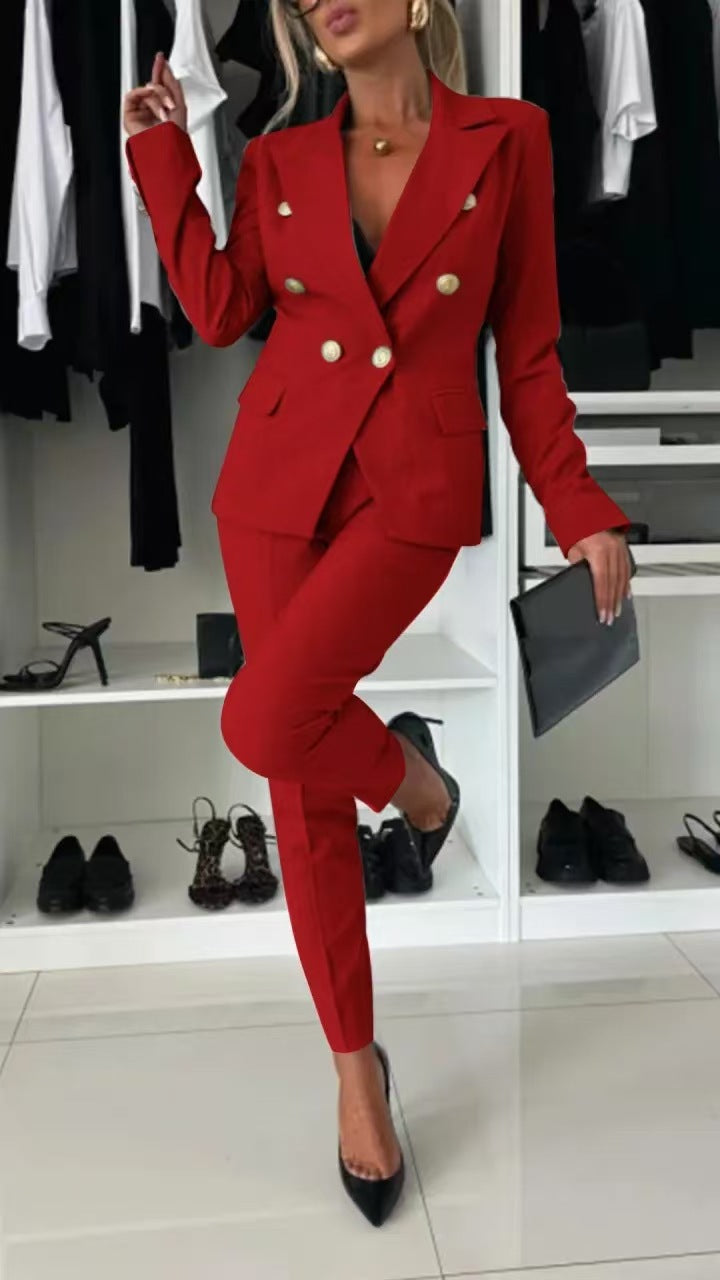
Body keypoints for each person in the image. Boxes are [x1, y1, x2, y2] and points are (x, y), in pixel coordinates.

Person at [123, 0, 631, 1228]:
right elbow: (221, 309)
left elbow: (527, 352)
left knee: (265, 718)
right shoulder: (282, 156)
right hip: (273, 485)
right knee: (299, 787)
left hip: (410, 495)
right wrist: (161, 158)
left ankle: (415, 782)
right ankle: (358, 1069)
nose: (322, 1)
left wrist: (576, 501)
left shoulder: (510, 138)